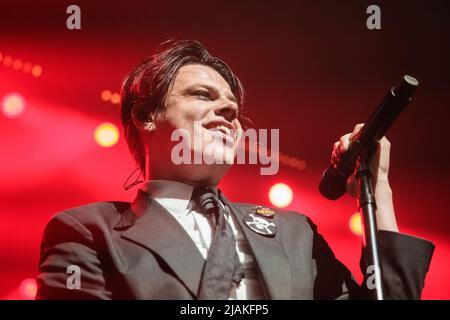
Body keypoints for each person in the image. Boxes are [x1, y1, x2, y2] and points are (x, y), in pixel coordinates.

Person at [36, 40, 434, 300]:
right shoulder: (90, 232)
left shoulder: (295, 233)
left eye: (233, 106)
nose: (229, 111)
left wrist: (378, 185)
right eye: (202, 95)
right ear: (145, 115)